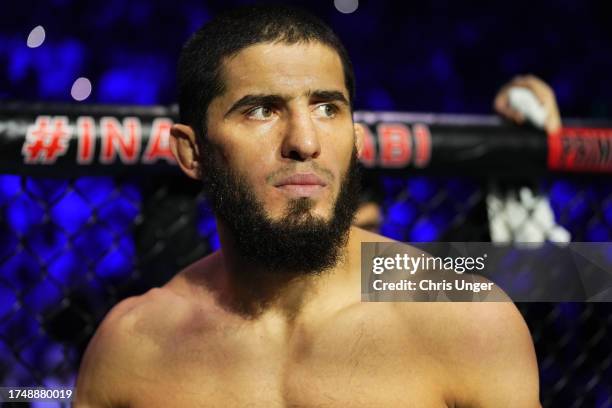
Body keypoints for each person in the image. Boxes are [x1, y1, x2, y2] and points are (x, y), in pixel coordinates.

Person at [75, 5, 559, 407]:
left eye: (328, 108)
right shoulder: (132, 347)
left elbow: (584, 280)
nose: (305, 141)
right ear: (192, 151)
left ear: (354, 135)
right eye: (260, 110)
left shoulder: (467, 321)